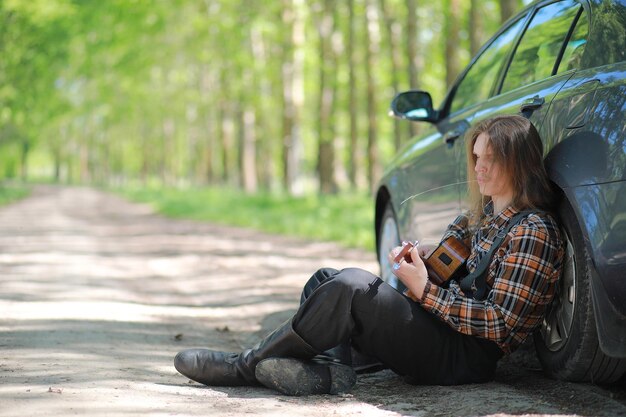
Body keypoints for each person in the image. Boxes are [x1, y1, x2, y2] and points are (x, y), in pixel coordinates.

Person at [174, 114, 564, 395]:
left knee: (351, 286)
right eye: (476, 157)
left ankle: (245, 366)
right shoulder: (477, 218)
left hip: (464, 359)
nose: (479, 168)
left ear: (518, 162)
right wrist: (420, 263)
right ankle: (331, 372)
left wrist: (426, 291)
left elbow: (500, 323)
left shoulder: (533, 231)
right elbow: (444, 275)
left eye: (490, 159)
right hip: (438, 330)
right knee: (326, 278)